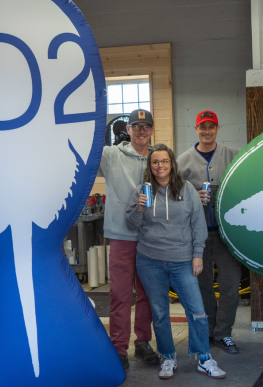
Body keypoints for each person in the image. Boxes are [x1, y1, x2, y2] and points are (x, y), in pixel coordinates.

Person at [126, 144, 227, 380]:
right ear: (150, 166)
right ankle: (168, 357)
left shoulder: (187, 189)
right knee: (160, 312)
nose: (160, 166)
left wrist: (197, 254)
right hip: (149, 260)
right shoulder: (143, 189)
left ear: (171, 163)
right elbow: (132, 224)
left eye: (164, 161)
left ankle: (204, 358)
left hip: (182, 260)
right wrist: (139, 207)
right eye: (155, 162)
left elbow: (197, 224)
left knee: (197, 311)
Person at [177, 110, 242, 354]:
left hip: (227, 235)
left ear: (217, 128)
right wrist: (191, 194)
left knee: (230, 285)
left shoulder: (233, 155)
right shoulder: (182, 161)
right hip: (197, 237)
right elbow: (172, 197)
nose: (207, 131)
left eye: (211, 127)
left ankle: (224, 333)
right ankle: (208, 331)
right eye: (202, 127)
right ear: (196, 129)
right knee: (202, 285)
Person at [98, 109, 159, 369]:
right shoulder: (110, 155)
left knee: (147, 294)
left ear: (151, 130)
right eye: (137, 126)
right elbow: (81, 150)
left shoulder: (159, 158)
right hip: (122, 236)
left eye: (146, 126)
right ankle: (118, 348)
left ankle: (143, 342)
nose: (141, 130)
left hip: (152, 237)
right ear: (129, 129)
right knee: (120, 294)